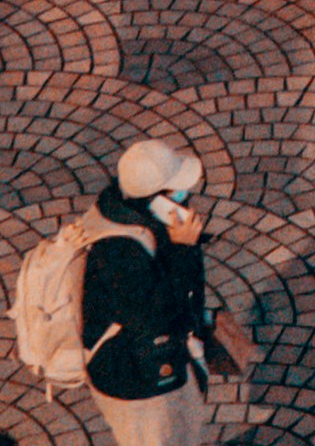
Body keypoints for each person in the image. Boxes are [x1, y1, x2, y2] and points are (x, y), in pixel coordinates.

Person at [77, 139, 242, 446]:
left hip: (158, 361)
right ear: (155, 198)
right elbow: (157, 316)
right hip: (136, 382)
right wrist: (182, 249)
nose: (185, 196)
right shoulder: (119, 249)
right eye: (176, 191)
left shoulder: (138, 216)